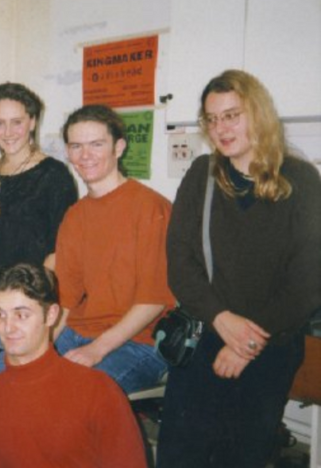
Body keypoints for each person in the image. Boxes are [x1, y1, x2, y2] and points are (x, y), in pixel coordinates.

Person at [157, 70, 321, 468]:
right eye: (212, 119)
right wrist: (220, 319)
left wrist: (247, 343)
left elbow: (308, 281)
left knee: (243, 455)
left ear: (258, 114)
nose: (220, 128)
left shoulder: (302, 180)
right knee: (181, 456)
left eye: (231, 115)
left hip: (271, 344)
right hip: (205, 338)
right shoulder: (202, 175)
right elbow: (180, 261)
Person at [0, 82, 78, 383]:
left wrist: (31, 298)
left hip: (23, 298)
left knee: (13, 381)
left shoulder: (53, 175)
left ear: (32, 121)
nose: (8, 131)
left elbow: (61, 249)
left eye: (17, 122)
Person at [0, 263, 147, 467]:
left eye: (21, 315)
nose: (8, 327)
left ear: (51, 315)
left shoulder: (97, 391)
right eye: (0, 314)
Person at [53, 104, 173, 394]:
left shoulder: (151, 208)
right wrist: (39, 350)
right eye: (76, 146)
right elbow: (65, 300)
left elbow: (153, 300)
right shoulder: (75, 215)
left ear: (119, 147)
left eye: (96, 144)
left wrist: (96, 351)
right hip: (76, 334)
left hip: (138, 344)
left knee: (76, 395)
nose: (85, 155)